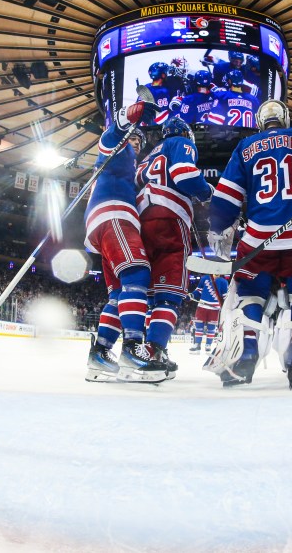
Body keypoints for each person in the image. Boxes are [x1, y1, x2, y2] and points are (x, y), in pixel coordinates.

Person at [205, 99, 292, 388]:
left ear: (261, 122)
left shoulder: (245, 146)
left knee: (248, 295)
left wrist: (218, 228)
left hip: (258, 238)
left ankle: (244, 357)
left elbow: (226, 196)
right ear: (285, 118)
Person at [84, 98, 169, 384]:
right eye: (132, 136)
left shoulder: (128, 167)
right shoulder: (116, 151)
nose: (134, 142)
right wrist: (126, 117)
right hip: (114, 216)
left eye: (137, 139)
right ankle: (133, 348)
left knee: (119, 293)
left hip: (104, 224)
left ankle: (100, 352)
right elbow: (109, 138)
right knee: (138, 272)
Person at [134, 116, 213, 378]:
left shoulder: (145, 158)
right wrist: (206, 193)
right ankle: (155, 351)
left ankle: (136, 350)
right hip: (169, 217)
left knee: (149, 294)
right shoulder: (180, 143)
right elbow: (185, 174)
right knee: (169, 294)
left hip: (140, 220)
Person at [189, 273, 229, 354]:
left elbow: (225, 297)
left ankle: (208, 345)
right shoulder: (205, 278)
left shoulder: (224, 282)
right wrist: (192, 295)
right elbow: (198, 291)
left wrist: (226, 307)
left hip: (215, 308)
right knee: (198, 327)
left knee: (211, 328)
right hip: (202, 306)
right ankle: (197, 344)